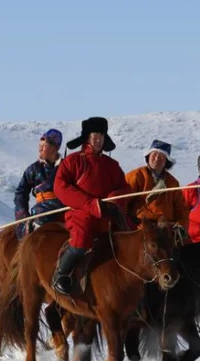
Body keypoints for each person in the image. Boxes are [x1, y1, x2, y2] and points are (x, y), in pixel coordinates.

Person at [52, 117, 133, 295]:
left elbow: (125, 187)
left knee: (132, 238)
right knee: (81, 241)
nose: (98, 140)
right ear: (87, 137)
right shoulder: (72, 161)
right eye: (95, 135)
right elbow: (61, 187)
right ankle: (61, 274)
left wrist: (114, 200)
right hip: (81, 213)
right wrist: (91, 204)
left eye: (102, 136)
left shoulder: (112, 165)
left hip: (109, 214)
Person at [125, 139, 190, 240]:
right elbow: (123, 202)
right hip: (140, 227)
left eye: (161, 157)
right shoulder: (136, 176)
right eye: (154, 155)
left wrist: (180, 225)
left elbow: (181, 208)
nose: (157, 159)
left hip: (167, 229)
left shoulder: (173, 183)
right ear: (148, 156)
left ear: (166, 161)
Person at [13, 129, 66, 239]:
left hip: (65, 207)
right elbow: (21, 192)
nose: (40, 148)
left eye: (44, 145)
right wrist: (22, 213)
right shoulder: (33, 169)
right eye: (40, 145)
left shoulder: (67, 166)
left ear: (55, 148)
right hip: (42, 210)